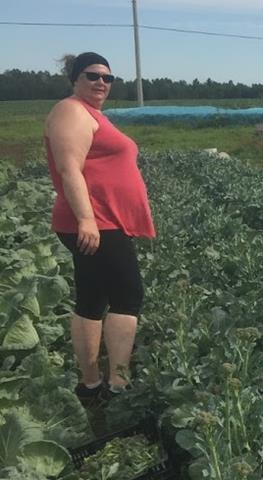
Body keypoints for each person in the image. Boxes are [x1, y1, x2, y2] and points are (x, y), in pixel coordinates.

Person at [44, 52, 156, 404]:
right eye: (92, 75)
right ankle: (118, 386)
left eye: (107, 78)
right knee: (128, 296)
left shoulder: (89, 113)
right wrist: (86, 219)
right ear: (75, 79)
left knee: (92, 298)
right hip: (97, 221)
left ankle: (90, 386)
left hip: (101, 220)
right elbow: (69, 168)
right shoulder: (71, 111)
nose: (101, 83)